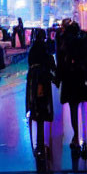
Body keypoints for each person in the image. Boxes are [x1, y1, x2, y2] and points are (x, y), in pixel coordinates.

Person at [56, 22, 87, 150]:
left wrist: (58, 78)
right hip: (80, 78)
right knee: (84, 109)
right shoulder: (81, 43)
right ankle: (84, 138)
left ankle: (76, 136)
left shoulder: (65, 44)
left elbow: (60, 62)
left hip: (69, 79)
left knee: (74, 109)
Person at [26, 28, 56, 159]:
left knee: (35, 108)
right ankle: (41, 141)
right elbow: (50, 64)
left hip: (33, 83)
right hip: (43, 81)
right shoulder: (44, 48)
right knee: (43, 109)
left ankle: (39, 143)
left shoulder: (33, 49)